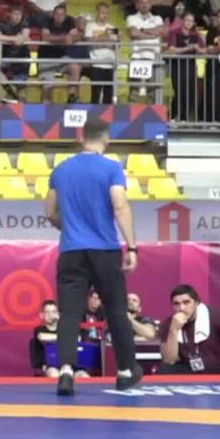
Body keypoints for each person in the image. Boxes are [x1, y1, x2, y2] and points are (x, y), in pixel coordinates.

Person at [44, 118, 143, 396]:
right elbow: (120, 206)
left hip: (71, 251)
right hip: (105, 251)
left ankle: (66, 370)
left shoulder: (61, 169)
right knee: (116, 310)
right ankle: (125, 371)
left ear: (81, 138)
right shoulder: (111, 168)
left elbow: (50, 212)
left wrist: (71, 230)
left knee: (69, 313)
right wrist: (132, 247)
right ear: (106, 139)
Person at [29, 299, 59, 376]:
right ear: (41, 315)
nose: (50, 315)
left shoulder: (64, 329)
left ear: (58, 314)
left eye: (53, 312)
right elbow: (42, 337)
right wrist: (64, 338)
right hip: (49, 365)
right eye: (47, 312)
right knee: (54, 374)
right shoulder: (39, 329)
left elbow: (77, 339)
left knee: (82, 375)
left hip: (65, 364)